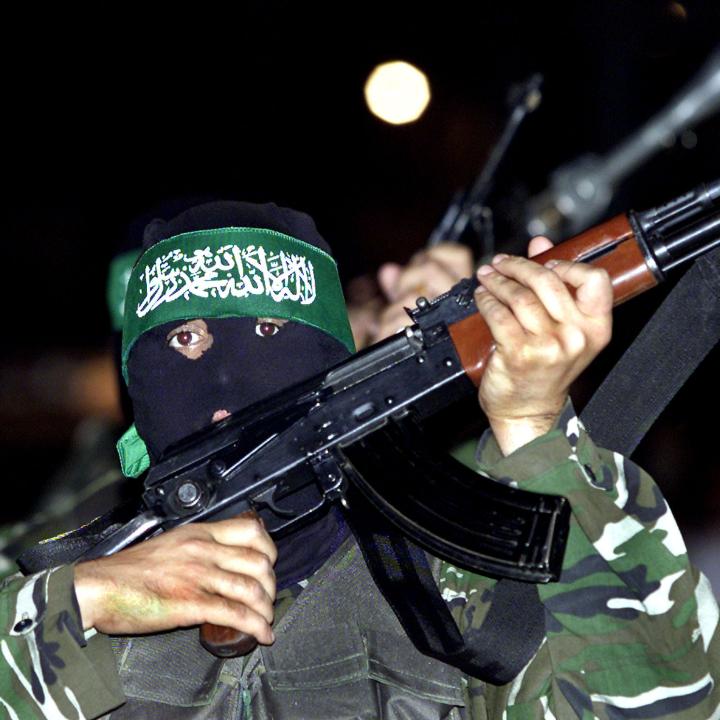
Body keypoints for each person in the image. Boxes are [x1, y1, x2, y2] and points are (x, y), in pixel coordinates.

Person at [1, 201, 718, 719]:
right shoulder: (71, 596)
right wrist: (83, 600)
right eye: (183, 342)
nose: (223, 385)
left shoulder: (453, 591)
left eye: (272, 331)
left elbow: (661, 706)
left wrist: (535, 433)